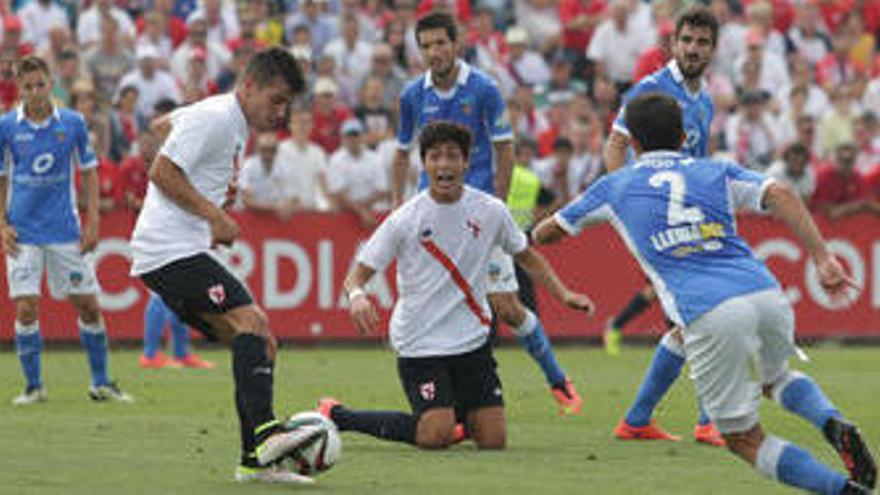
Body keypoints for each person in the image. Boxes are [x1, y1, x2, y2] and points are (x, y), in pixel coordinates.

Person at [533, 91, 877, 495]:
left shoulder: (614, 185)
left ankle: (845, 492)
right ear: (683, 137)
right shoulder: (715, 170)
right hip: (764, 291)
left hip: (709, 310)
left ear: (636, 144)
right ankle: (830, 421)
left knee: (744, 439)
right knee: (775, 376)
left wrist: (538, 232)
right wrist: (822, 258)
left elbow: (548, 232)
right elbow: (782, 193)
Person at [318, 121, 595, 449]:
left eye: (452, 156)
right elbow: (357, 275)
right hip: (420, 343)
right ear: (425, 164)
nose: (444, 164)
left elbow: (526, 256)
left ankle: (453, 417)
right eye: (435, 157)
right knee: (435, 436)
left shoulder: (491, 211)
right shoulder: (405, 218)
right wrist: (358, 296)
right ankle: (338, 414)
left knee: (494, 441)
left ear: (466, 162)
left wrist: (563, 293)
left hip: (471, 342)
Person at [129, 47, 319, 484]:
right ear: (248, 86)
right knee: (250, 321)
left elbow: (161, 126)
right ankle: (268, 434)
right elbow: (161, 170)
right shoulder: (216, 117)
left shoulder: (225, 117)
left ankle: (254, 463)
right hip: (168, 250)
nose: (281, 111)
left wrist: (210, 192)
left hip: (179, 249)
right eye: (276, 99)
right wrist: (213, 213)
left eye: (287, 102)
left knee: (260, 342)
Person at [391, 11, 583, 415]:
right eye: (425, 45)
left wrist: (496, 203)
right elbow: (400, 153)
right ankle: (443, 401)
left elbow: (504, 147)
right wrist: (397, 208)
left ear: (456, 44)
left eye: (440, 43)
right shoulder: (412, 95)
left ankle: (557, 378)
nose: (433, 52)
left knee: (509, 308)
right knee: (433, 304)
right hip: (432, 217)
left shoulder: (483, 88)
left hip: (477, 214)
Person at [600, 5, 724, 445]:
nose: (692, 49)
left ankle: (636, 420)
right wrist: (627, 200)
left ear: (713, 48)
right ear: (673, 44)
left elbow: (697, 163)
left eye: (701, 42)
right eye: (686, 40)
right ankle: (710, 421)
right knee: (708, 315)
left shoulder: (704, 98)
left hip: (691, 219)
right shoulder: (651, 90)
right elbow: (614, 145)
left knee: (691, 323)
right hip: (658, 220)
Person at [0, 55, 132, 405]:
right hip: (23, 233)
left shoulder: (72, 123)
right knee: (26, 308)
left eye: (40, 84)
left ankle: (101, 383)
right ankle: (34, 387)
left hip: (64, 231)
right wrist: (2, 225)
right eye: (27, 87)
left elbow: (89, 172)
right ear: (20, 88)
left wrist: (92, 222)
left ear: (51, 82)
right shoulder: (7, 127)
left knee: (88, 306)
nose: (35, 92)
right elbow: (1, 178)